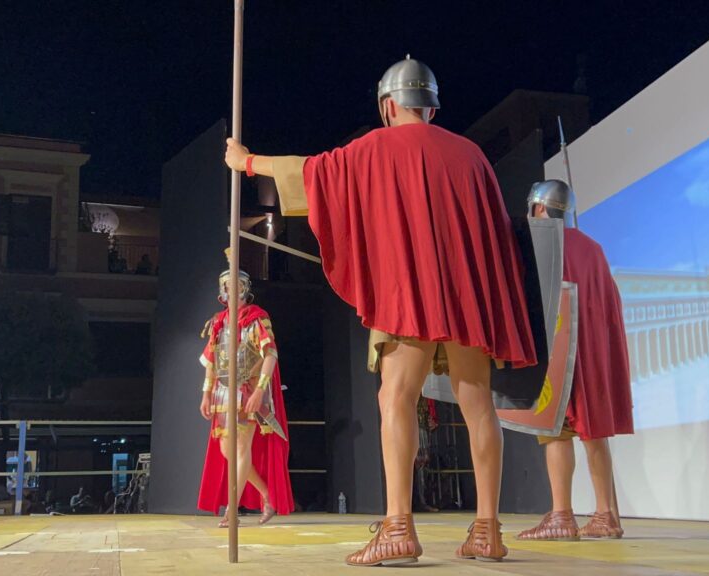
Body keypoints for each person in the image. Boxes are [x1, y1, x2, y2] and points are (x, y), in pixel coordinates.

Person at [224, 56, 537, 565]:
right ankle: (487, 529)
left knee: (396, 396)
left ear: (389, 107)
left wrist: (248, 162)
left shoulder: (373, 148)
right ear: (430, 109)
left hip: (410, 293)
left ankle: (398, 526)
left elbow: (312, 175)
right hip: (467, 297)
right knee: (478, 402)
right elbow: (495, 236)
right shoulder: (473, 156)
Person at [518, 180, 633, 541]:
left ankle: (562, 515)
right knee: (593, 431)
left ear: (538, 209)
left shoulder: (539, 242)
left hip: (556, 351)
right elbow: (609, 303)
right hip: (592, 353)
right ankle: (606, 515)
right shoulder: (594, 248)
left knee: (554, 432)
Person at [197, 257, 293, 526]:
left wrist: (260, 392)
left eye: (236, 286)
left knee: (240, 450)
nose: (232, 292)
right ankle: (267, 496)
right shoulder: (219, 322)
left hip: (246, 389)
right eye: (227, 287)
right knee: (229, 451)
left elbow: (270, 355)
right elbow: (211, 361)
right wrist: (205, 393)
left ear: (245, 289)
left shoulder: (257, 318)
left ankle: (232, 508)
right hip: (221, 393)